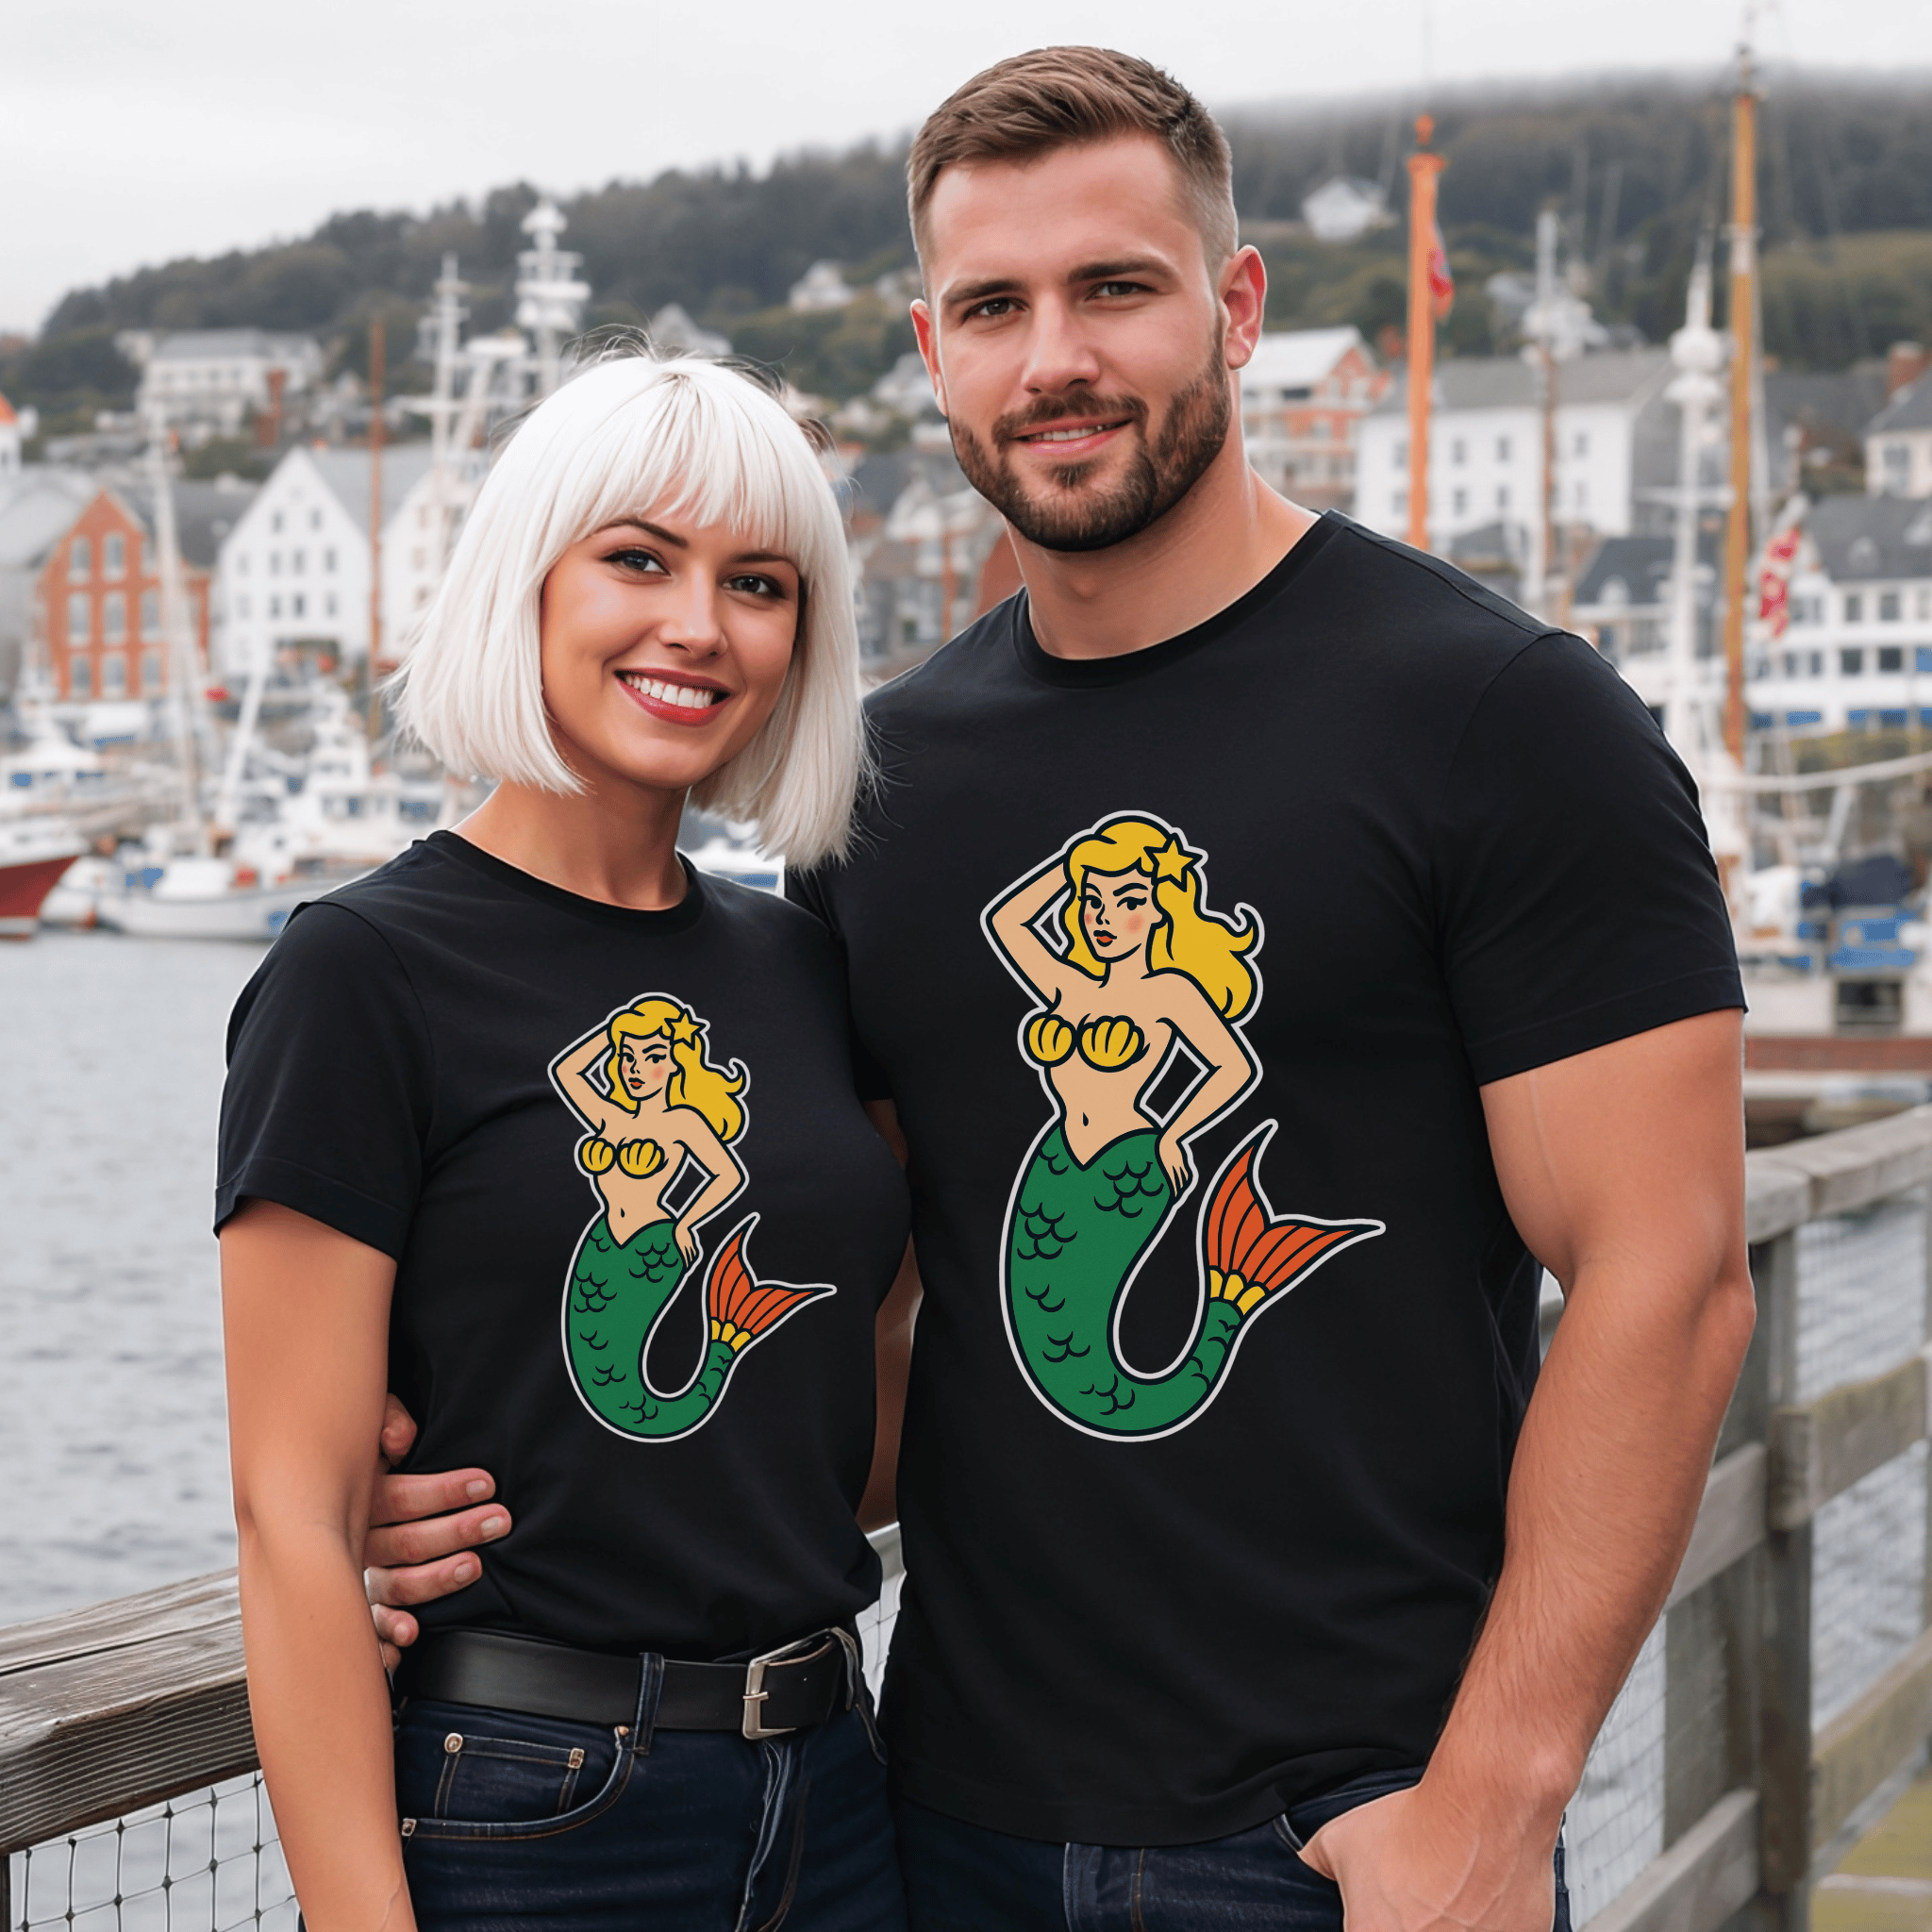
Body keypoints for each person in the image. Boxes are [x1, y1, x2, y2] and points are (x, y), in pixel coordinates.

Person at [368, 47, 1755, 1932]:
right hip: (931, 1816)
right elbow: (844, 1309)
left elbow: (1665, 1284)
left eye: (1115, 288)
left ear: (1235, 305)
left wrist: (1495, 1805)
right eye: (993, 308)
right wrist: (471, 1503)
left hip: (1349, 1838)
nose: (1054, 362)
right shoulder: (883, 787)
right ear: (928, 347)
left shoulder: (1503, 718)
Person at [217, 352, 911, 1932]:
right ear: (525, 579)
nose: (699, 625)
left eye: (758, 581)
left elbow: (845, 1385)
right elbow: (291, 1517)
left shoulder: (806, 967)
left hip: (836, 1789)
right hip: (532, 1809)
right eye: (638, 560)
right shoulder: (361, 973)